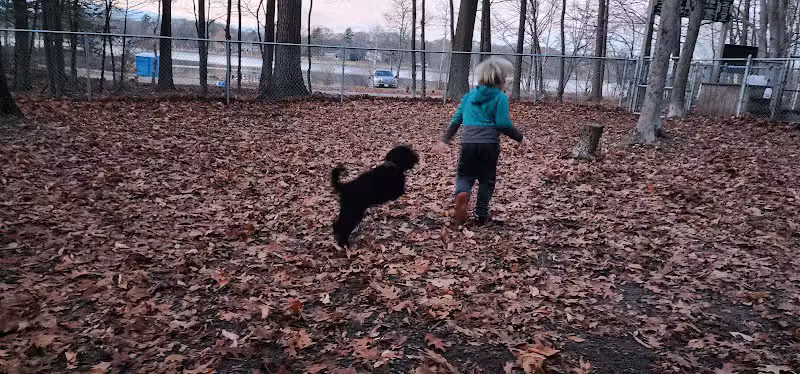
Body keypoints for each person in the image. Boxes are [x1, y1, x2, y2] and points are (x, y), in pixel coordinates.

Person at [437, 57, 527, 225]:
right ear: (500, 81)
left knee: (464, 175)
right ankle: (481, 214)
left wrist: (445, 140)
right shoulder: (500, 97)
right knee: (487, 180)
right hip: (489, 145)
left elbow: (456, 120)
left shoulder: (469, 96)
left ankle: (462, 193)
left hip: (468, 144)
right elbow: (503, 124)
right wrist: (520, 138)